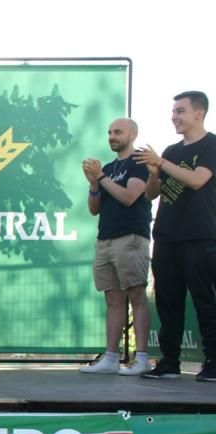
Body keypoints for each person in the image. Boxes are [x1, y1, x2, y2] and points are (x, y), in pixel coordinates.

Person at [134, 91, 216, 381]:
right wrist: (155, 172)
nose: (174, 117)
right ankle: (169, 362)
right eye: (173, 112)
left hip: (200, 236)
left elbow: (197, 180)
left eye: (180, 111)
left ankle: (213, 361)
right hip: (167, 236)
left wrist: (162, 164)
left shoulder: (211, 145)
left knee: (204, 299)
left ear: (199, 113)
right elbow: (151, 193)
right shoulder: (170, 150)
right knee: (168, 301)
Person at [80, 118, 152, 376]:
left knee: (136, 295)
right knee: (112, 298)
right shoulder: (109, 167)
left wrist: (101, 176)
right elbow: (94, 209)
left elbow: (130, 197)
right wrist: (93, 184)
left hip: (131, 237)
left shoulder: (140, 161)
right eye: (109, 132)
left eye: (118, 132)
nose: (112, 136)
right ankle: (110, 357)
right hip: (105, 239)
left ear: (132, 133)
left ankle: (141, 357)